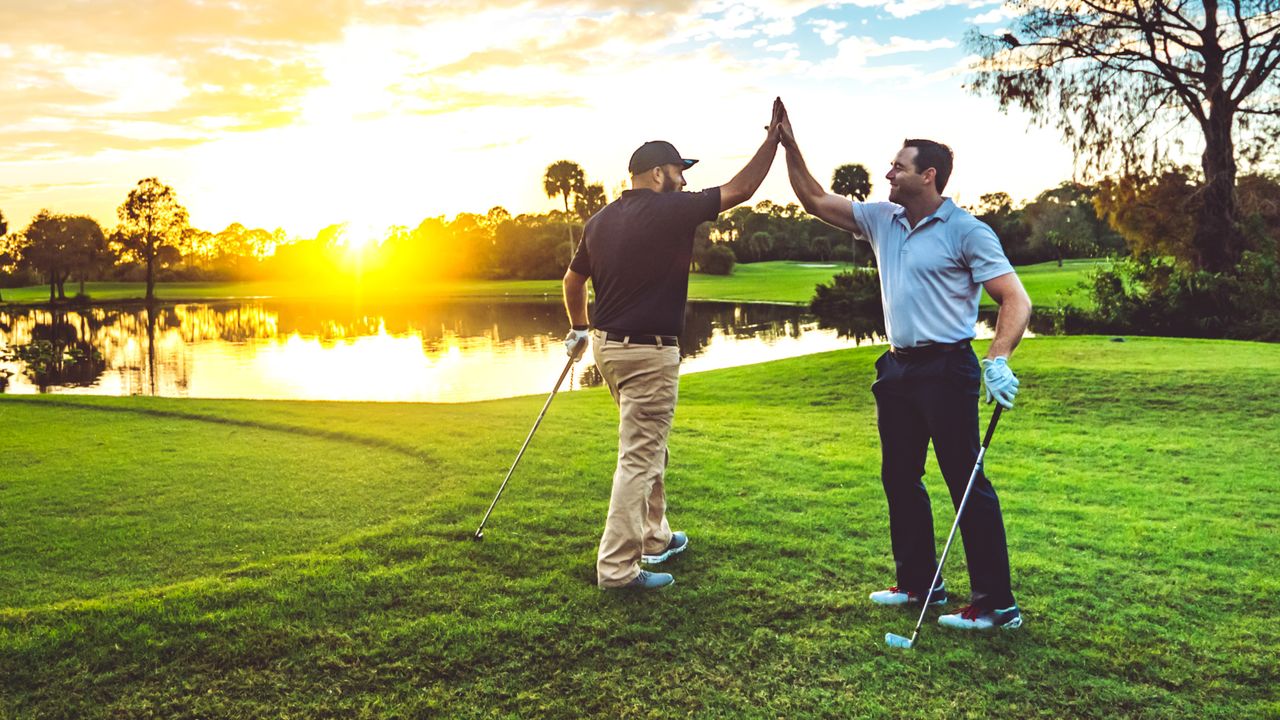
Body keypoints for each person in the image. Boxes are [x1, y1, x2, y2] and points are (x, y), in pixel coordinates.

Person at [776, 100, 1032, 630]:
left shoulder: (967, 230)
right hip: (897, 369)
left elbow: (1015, 300)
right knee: (900, 477)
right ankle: (920, 584)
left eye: (899, 166)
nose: (888, 172)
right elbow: (814, 199)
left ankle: (996, 605)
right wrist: (788, 144)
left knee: (965, 481)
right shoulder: (881, 219)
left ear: (928, 175)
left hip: (948, 368)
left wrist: (998, 360)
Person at [562, 100, 785, 590]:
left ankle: (655, 537)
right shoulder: (671, 209)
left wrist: (579, 329)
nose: (685, 182)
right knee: (640, 455)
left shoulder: (600, 220)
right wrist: (774, 139)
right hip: (648, 352)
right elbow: (742, 189)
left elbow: (572, 281)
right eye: (680, 172)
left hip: (609, 349)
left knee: (648, 446)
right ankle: (618, 570)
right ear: (659, 173)